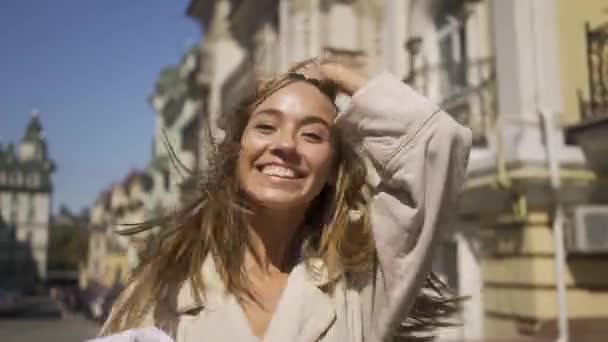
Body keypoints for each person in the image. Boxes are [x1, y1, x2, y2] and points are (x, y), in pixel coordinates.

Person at [99, 59, 472, 342]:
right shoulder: (164, 286)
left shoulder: (359, 285)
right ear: (237, 152)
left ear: (332, 170)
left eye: (312, 135)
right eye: (265, 126)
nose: (284, 145)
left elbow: (436, 144)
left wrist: (334, 72)